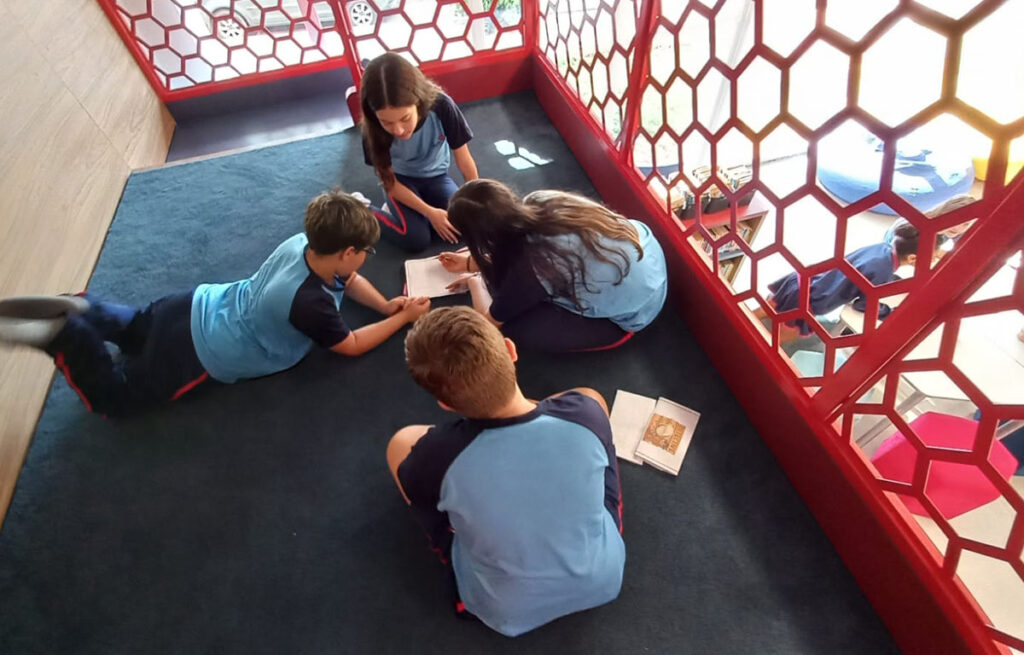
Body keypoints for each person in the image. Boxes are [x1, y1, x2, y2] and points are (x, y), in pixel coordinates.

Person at [0, 190, 430, 416]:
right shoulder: (310, 305)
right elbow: (349, 345)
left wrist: (384, 306)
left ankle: (87, 310)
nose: (365, 259)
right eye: (365, 252)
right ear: (347, 251)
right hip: (200, 351)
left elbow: (349, 280)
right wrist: (403, 320)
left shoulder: (304, 243)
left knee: (136, 328)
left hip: (192, 305)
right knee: (119, 398)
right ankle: (66, 335)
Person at [386, 306, 625, 637]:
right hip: (604, 579)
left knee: (400, 443)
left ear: (445, 405)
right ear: (511, 350)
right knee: (590, 396)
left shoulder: (433, 457)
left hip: (505, 611)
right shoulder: (584, 413)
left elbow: (428, 509)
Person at [436, 179, 668, 352]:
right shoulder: (539, 199)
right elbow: (515, 246)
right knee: (516, 287)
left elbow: (489, 324)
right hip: (649, 265)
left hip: (631, 316)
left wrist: (475, 282)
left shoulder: (533, 266)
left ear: (480, 237)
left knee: (514, 328)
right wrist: (473, 262)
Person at [360, 53, 479, 252]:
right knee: (416, 240)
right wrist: (430, 213)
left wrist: (477, 200)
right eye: (387, 122)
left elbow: (464, 160)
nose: (398, 130)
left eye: (405, 118)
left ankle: (409, 213)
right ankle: (363, 209)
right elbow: (389, 182)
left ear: (418, 102)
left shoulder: (442, 106)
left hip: (436, 177)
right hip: (400, 181)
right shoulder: (371, 127)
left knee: (463, 227)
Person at [761, 221, 923, 341]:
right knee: (774, 339)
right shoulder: (884, 270)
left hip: (802, 280)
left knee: (761, 312)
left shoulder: (881, 248)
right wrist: (889, 313)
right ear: (912, 258)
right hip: (808, 302)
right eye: (933, 257)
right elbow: (864, 305)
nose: (933, 260)